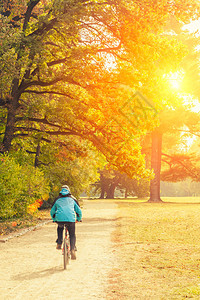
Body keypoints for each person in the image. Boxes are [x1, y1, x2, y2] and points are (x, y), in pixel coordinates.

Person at [50, 185, 82, 260]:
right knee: (72, 235)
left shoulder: (57, 199)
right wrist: (78, 219)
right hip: (71, 219)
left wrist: (54, 219)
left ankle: (59, 242)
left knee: (60, 227)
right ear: (69, 191)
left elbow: (52, 211)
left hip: (60, 219)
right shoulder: (73, 199)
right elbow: (79, 211)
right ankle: (72, 249)